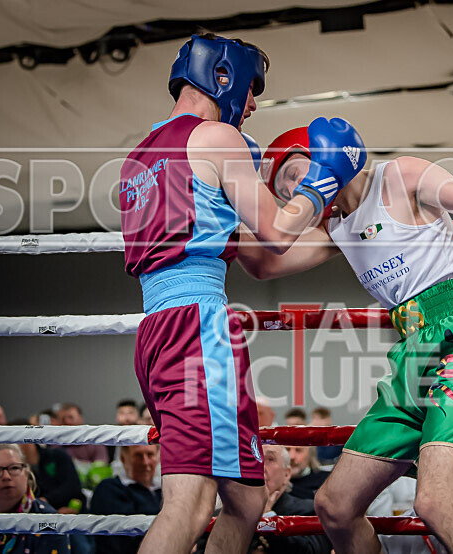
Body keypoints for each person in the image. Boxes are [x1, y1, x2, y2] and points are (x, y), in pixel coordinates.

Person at [118, 33, 365, 554]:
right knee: (186, 508)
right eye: (252, 89)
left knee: (247, 501)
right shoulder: (217, 139)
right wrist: (320, 184)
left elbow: (256, 260)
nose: (253, 105)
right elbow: (276, 233)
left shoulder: (140, 155)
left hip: (160, 331)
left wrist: (344, 237)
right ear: (223, 76)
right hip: (197, 331)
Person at [238, 130, 453, 552]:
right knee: (334, 505)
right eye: (283, 190)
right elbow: (263, 265)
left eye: (291, 174)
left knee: (436, 503)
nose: (290, 191)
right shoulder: (335, 225)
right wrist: (226, 205)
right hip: (411, 353)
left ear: (321, 154)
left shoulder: (400, 175)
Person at [251, 444, 331, 553]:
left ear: (286, 474)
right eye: (255, 458)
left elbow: (312, 551)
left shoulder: (310, 510)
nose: (261, 466)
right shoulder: (232, 511)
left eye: (270, 459)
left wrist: (268, 517)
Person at [91, 445, 162, 554]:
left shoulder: (164, 490)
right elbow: (120, 543)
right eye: (138, 455)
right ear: (124, 459)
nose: (145, 462)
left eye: (150, 455)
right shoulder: (109, 489)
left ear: (157, 458)